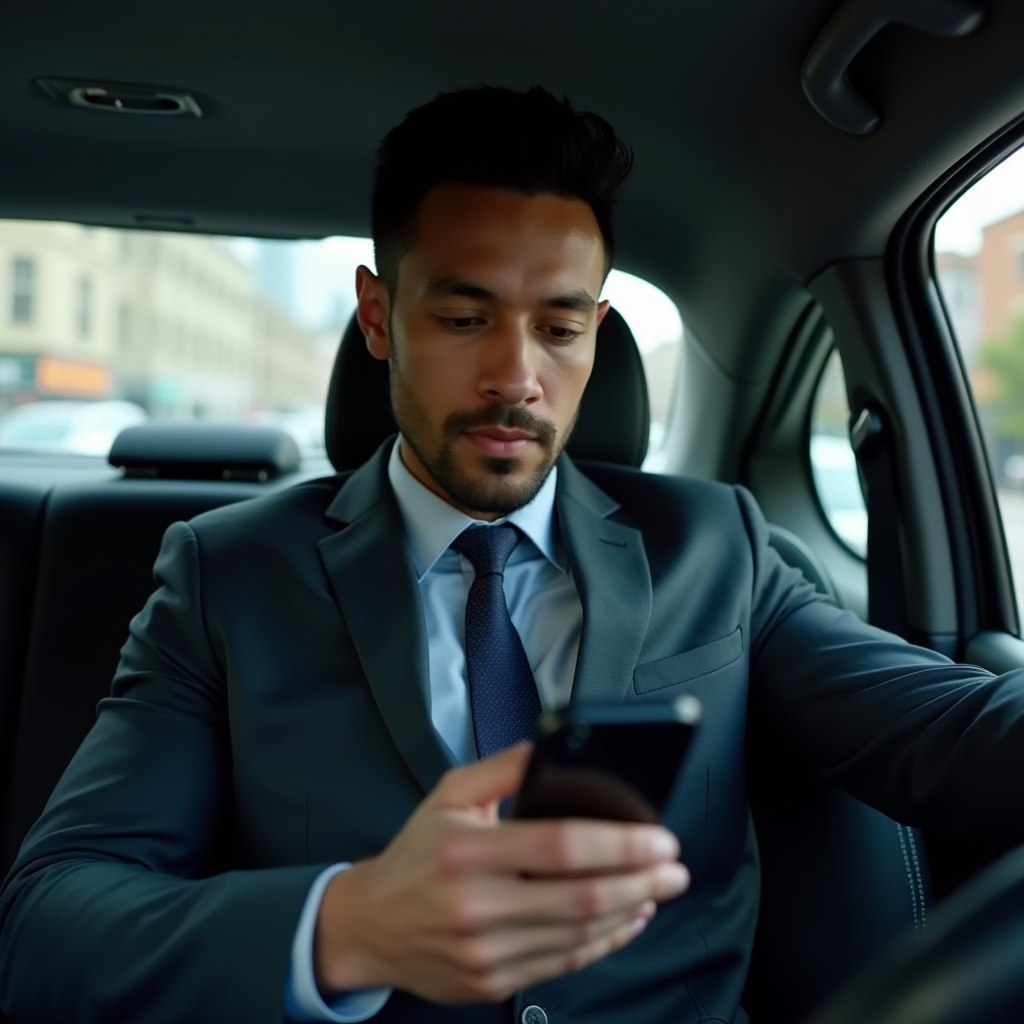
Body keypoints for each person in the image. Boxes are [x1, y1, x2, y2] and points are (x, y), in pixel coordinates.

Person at [1, 85, 1023, 1024]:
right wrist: (346, 927)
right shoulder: (228, 575)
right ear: (377, 316)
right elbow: (52, 920)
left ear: (595, 333)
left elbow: (951, 729)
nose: (516, 375)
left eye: (559, 326)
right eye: (462, 316)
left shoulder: (719, 545)